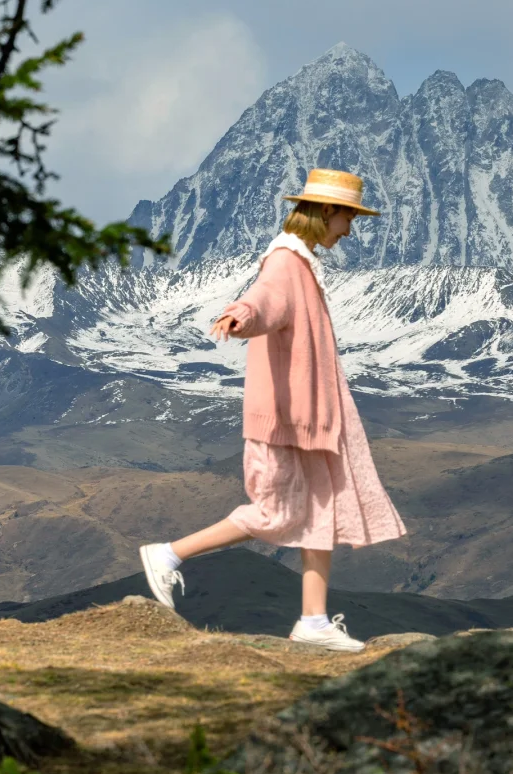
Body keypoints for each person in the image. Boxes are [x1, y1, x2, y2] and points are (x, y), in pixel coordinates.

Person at [139, 168, 407, 652]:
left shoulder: (301, 262)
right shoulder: (285, 260)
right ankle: (169, 554)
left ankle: (313, 621)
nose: (349, 230)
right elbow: (265, 300)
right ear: (328, 211)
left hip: (308, 421)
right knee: (274, 512)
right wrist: (241, 315)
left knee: (320, 510)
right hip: (284, 422)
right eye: (348, 218)